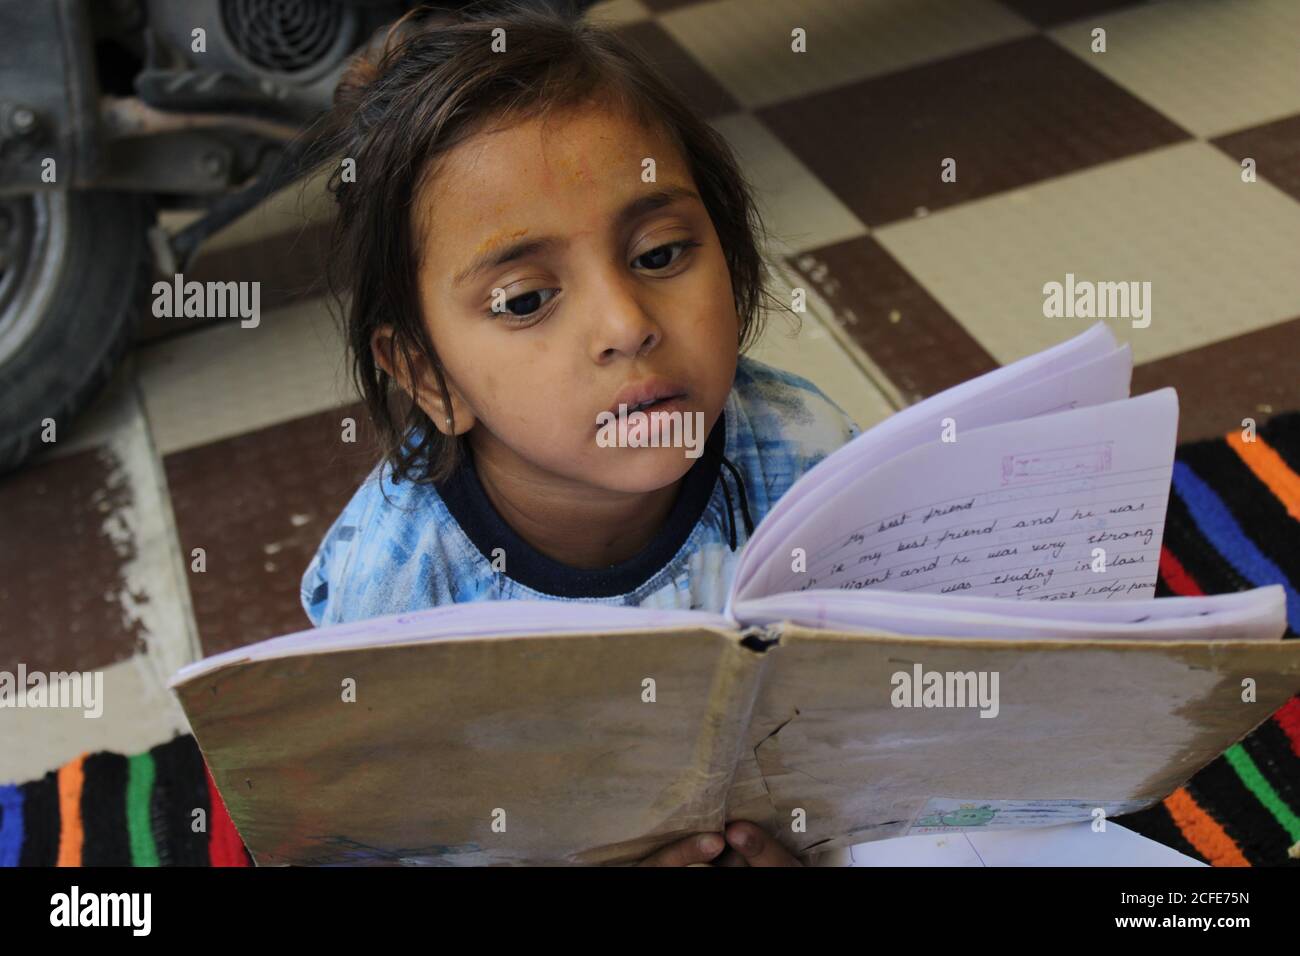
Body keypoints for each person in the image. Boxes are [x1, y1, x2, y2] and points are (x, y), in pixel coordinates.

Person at [302, 0, 859, 866]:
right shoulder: (398, 593)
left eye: (662, 252)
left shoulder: (805, 450)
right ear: (425, 373)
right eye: (525, 300)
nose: (625, 323)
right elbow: (364, 842)